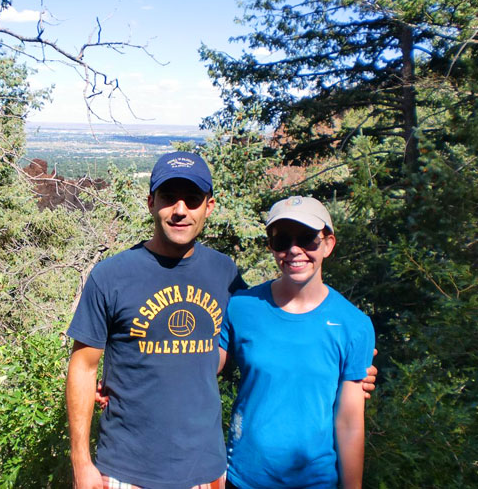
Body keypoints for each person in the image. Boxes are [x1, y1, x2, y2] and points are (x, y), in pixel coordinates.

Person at [66, 153, 376, 489]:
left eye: (193, 199)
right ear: (151, 202)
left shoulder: (224, 275)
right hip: (127, 470)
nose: (180, 210)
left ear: (209, 207)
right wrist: (82, 461)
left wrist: (354, 369)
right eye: (169, 198)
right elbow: (84, 367)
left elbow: (261, 343)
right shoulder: (112, 276)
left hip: (207, 471)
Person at [220, 196, 375, 489]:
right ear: (271, 246)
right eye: (282, 240)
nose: (294, 250)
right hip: (244, 478)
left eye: (307, 239)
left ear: (328, 243)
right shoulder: (241, 307)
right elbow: (199, 365)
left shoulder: (354, 325)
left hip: (315, 481)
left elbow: (350, 422)